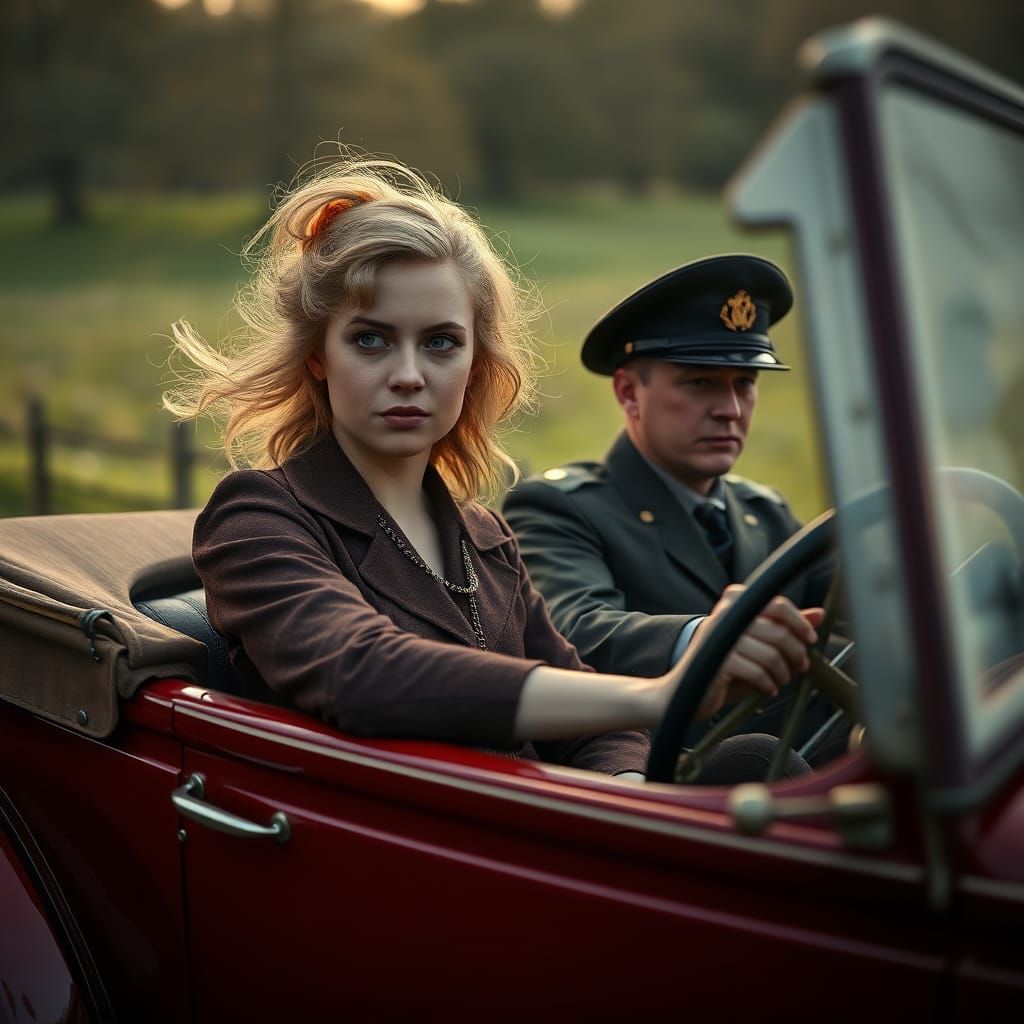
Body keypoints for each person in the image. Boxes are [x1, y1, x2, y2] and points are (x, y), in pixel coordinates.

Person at [165, 158, 821, 782]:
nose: (408, 375)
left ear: (475, 366)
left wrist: (623, 790)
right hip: (399, 846)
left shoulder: (485, 538)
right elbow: (361, 672)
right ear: (318, 357)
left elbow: (591, 717)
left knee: (760, 762)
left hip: (525, 830)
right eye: (370, 339)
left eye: (441, 343)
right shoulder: (260, 515)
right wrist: (658, 694)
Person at [502, 255, 838, 749]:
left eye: (745, 383)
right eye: (699, 382)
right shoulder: (558, 507)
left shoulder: (765, 513)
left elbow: (862, 614)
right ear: (629, 394)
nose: (730, 410)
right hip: (660, 780)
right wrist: (709, 638)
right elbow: (575, 629)